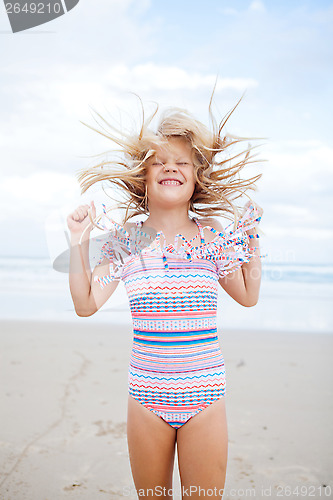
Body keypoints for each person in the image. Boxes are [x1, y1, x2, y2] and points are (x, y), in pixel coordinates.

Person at [67, 98, 263, 499]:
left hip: (204, 393)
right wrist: (78, 240)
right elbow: (86, 304)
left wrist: (251, 238)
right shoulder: (127, 239)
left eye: (183, 162)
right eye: (159, 161)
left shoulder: (210, 232)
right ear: (144, 177)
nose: (171, 167)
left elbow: (248, 294)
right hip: (146, 397)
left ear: (195, 179)